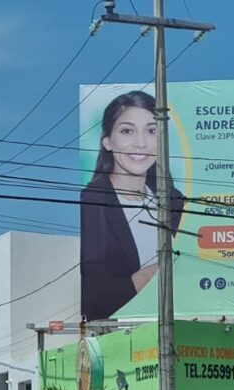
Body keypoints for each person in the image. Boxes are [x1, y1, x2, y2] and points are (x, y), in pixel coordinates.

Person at [80, 90, 185, 321]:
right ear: (107, 141)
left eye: (151, 131)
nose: (140, 143)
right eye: (127, 131)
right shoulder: (93, 200)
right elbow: (93, 295)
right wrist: (141, 280)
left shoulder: (175, 201)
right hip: (120, 329)